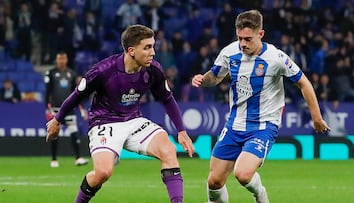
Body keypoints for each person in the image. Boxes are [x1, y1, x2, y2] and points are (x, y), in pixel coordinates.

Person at [191, 10, 330, 203]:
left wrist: (316, 117)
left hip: (263, 127)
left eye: (248, 39)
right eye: (240, 38)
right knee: (214, 182)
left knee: (243, 174)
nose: (243, 44)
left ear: (261, 34)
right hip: (234, 124)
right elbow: (215, 76)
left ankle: (260, 195)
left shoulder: (276, 58)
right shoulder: (230, 52)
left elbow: (304, 83)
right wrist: (202, 79)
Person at [46, 24, 194, 203]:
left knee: (168, 150)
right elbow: (77, 96)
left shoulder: (153, 69)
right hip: (104, 122)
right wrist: (57, 120)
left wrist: (181, 131)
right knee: (102, 173)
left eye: (153, 46)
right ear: (131, 50)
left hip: (133, 120)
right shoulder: (102, 70)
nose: (153, 52)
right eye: (147, 47)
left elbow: (167, 98)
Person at [45, 51, 89, 168]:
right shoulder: (51, 73)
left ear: (66, 60)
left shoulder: (72, 74)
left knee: (74, 133)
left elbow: (76, 93)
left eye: (63, 59)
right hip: (55, 108)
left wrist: (81, 108)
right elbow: (48, 92)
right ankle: (54, 159)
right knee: (55, 134)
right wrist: (47, 108)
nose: (61, 61)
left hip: (69, 109)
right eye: (59, 59)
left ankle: (78, 158)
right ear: (56, 60)